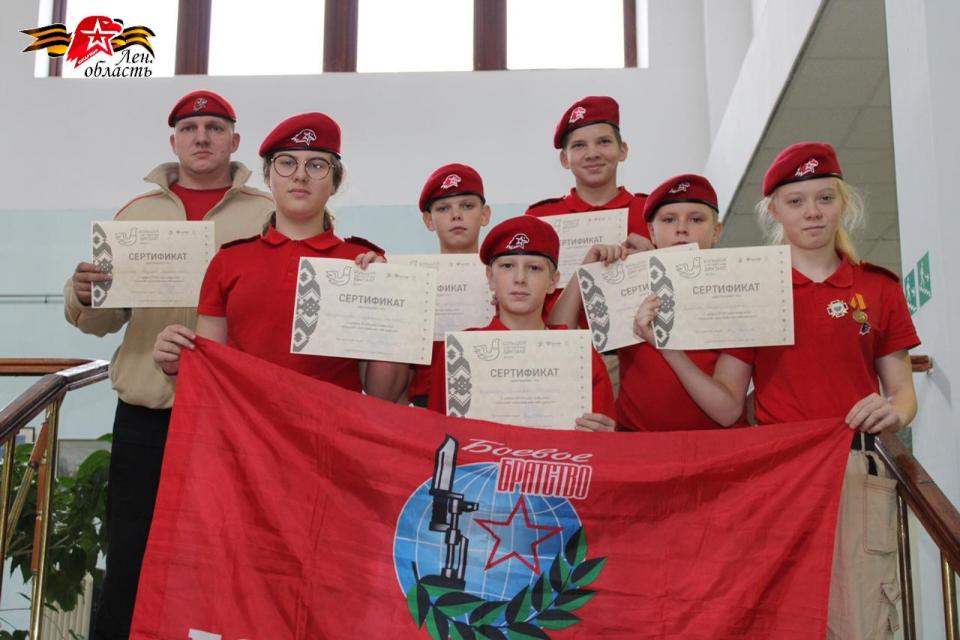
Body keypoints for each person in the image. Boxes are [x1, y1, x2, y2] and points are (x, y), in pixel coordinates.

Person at [634, 142, 919, 637]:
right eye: (796, 201)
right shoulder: (754, 288)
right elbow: (727, 407)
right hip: (778, 477)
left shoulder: (878, 287)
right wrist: (668, 348)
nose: (812, 212)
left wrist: (894, 411)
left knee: (862, 620)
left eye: (825, 198)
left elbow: (904, 394)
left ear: (843, 203)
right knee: (779, 618)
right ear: (773, 211)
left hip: (853, 469)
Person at [63, 90, 274, 640]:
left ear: (235, 140)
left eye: (214, 127)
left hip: (237, 420)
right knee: (131, 556)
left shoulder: (269, 213)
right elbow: (103, 321)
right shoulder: (136, 215)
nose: (201, 137)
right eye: (189, 129)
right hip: (148, 414)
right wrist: (83, 294)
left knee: (236, 557)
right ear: (173, 141)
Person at [153, 112, 408, 400]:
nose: (300, 175)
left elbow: (382, 393)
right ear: (268, 177)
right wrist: (176, 364)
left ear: (335, 182)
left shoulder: (363, 263)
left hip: (330, 426)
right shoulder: (229, 261)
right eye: (286, 163)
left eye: (316, 165)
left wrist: (393, 303)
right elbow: (210, 375)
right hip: (246, 424)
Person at [426, 216, 617, 431]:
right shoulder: (459, 352)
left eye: (534, 268)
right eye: (507, 266)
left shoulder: (580, 355)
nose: (520, 278)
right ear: (490, 277)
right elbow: (436, 436)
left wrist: (605, 436)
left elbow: (604, 436)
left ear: (553, 281)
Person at [617, 173, 739, 431]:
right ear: (651, 231)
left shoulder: (737, 295)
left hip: (715, 445)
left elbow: (728, 412)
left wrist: (667, 347)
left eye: (696, 219)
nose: (681, 228)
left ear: (716, 231)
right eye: (669, 219)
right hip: (638, 443)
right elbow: (560, 333)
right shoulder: (625, 286)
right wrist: (586, 271)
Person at [407, 163, 492, 407]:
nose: (456, 215)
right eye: (443, 208)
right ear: (429, 220)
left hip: (494, 396)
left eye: (467, 206)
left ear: (485, 214)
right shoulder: (414, 282)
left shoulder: (508, 277)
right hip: (428, 401)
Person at [524, 95, 652, 252]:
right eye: (579, 145)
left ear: (622, 150)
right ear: (564, 159)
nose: (592, 154)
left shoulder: (652, 213)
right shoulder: (540, 218)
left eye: (604, 142)